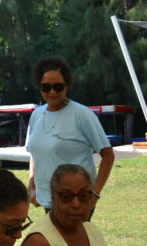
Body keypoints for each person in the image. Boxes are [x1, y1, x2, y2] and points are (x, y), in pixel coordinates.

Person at [26, 57, 114, 214]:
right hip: (47, 200)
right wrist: (31, 185)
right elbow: (35, 153)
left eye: (58, 86)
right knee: (52, 239)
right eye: (46, 87)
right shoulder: (36, 115)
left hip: (75, 202)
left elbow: (107, 154)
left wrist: (94, 193)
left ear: (67, 85)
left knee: (67, 239)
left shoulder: (81, 114)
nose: (52, 91)